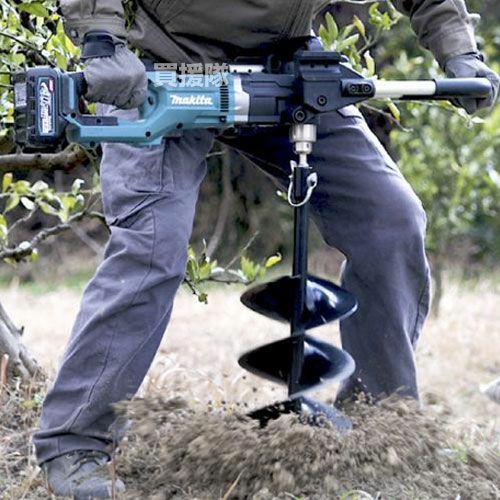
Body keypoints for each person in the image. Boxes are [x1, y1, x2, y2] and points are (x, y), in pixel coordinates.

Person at [34, 1, 499, 497]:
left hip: (287, 66)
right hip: (162, 65)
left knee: (391, 221)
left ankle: (379, 428)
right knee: (152, 246)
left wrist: (459, 52)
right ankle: (74, 441)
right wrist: (101, 42)